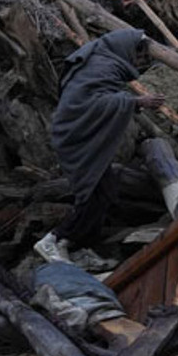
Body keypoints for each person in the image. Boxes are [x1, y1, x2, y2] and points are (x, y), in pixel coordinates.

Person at [34, 28, 164, 263]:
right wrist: (135, 101)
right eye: (140, 56)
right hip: (75, 137)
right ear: (127, 49)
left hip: (82, 137)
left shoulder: (105, 63)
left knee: (105, 191)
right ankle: (53, 240)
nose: (139, 62)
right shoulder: (101, 66)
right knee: (91, 194)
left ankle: (74, 244)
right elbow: (90, 103)